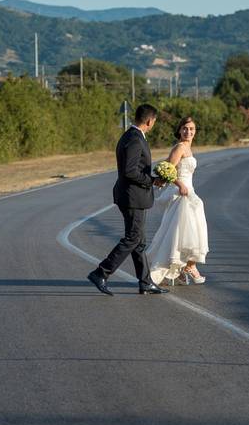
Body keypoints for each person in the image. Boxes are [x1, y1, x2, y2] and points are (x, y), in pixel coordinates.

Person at [87, 104, 169, 296]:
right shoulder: (134, 139)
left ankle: (145, 282)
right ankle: (101, 272)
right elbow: (130, 170)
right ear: (150, 121)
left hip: (132, 196)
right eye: (154, 121)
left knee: (139, 241)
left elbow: (133, 167)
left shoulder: (130, 135)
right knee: (133, 238)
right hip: (133, 197)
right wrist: (152, 180)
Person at [147, 116, 209, 285]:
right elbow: (168, 169)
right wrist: (179, 184)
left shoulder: (188, 147)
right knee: (184, 232)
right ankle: (189, 266)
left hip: (190, 191)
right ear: (179, 130)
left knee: (187, 232)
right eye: (185, 128)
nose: (188, 132)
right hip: (181, 193)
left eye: (191, 129)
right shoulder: (180, 147)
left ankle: (181, 269)